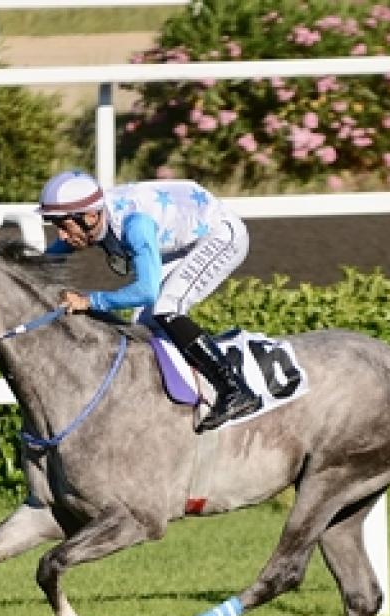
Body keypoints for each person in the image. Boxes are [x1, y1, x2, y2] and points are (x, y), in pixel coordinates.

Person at [38, 169, 262, 432]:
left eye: (64, 225)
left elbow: (146, 292)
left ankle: (234, 389)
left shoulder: (135, 226)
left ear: (89, 216)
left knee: (166, 306)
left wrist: (90, 301)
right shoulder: (93, 218)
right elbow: (47, 259)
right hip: (181, 240)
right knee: (143, 324)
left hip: (221, 236)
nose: (62, 236)